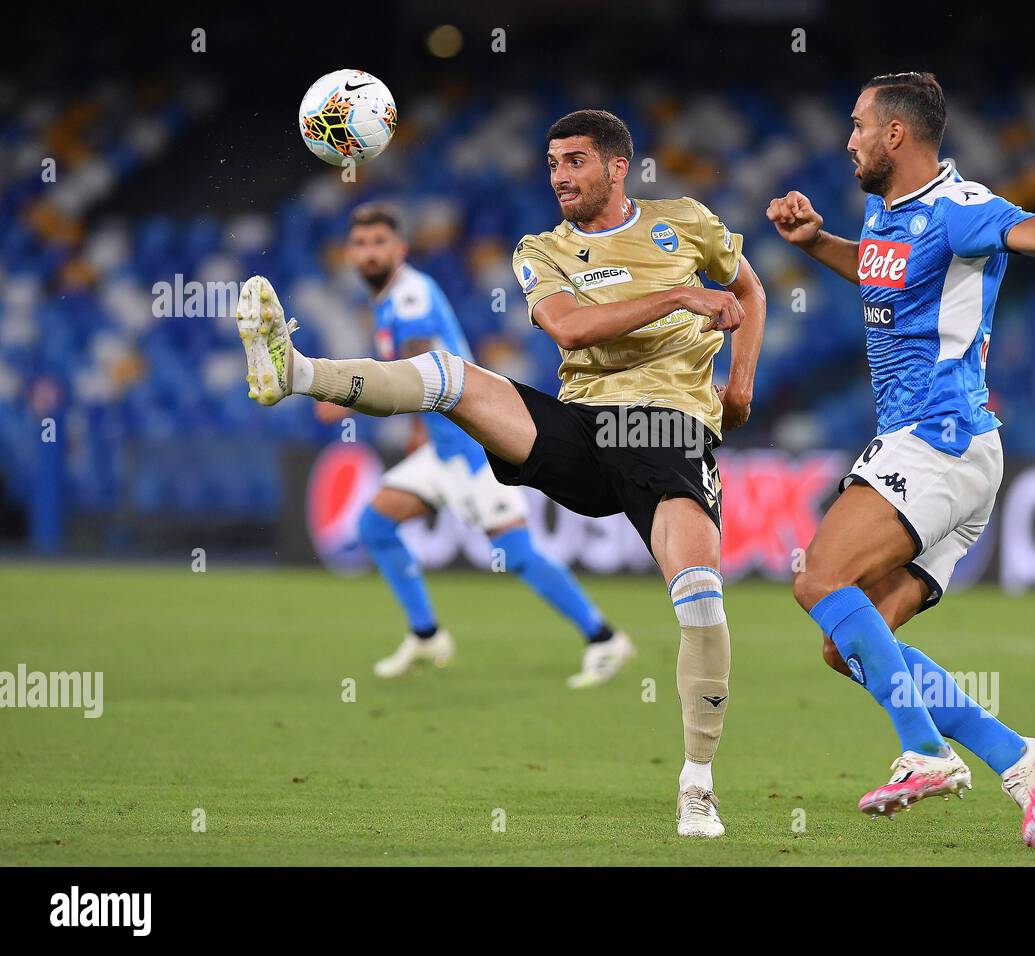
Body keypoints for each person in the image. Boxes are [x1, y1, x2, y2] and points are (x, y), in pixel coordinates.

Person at [235, 109, 766, 838]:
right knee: (450, 377)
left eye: (575, 161)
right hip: (581, 428)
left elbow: (752, 291)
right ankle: (294, 370)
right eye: (551, 163)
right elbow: (570, 330)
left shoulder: (686, 221)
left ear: (618, 167)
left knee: (700, 598)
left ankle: (697, 785)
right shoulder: (540, 250)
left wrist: (740, 387)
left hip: (666, 428)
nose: (559, 177)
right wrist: (680, 295)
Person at [768, 72, 1035, 846]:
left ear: (897, 135)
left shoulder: (956, 206)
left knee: (817, 576)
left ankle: (924, 752)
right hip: (956, 453)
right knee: (849, 645)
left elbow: (1020, 228)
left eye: (857, 127)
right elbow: (879, 270)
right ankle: (1019, 756)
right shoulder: (886, 213)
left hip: (937, 438)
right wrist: (816, 244)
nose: (848, 141)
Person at [316, 202, 630, 686]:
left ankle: (604, 639)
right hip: (441, 450)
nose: (368, 252)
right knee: (375, 523)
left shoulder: (411, 297)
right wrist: (421, 433)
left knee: (517, 553)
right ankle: (426, 635)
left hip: (473, 448)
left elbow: (412, 374)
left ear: (399, 249)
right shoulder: (387, 299)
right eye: (359, 244)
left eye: (379, 243)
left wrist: (343, 395)